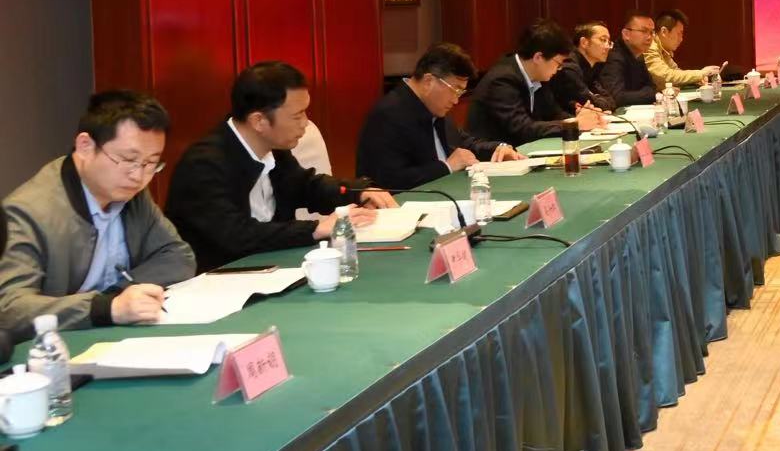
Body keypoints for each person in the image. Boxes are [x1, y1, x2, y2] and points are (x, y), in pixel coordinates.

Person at [165, 62, 398, 271]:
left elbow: (305, 186)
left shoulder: (273, 147)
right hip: (218, 280)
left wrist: (358, 192)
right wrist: (315, 228)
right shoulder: (204, 164)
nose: (306, 123)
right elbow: (236, 235)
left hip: (270, 268)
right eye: (297, 116)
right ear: (259, 121)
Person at [0, 91, 196, 336]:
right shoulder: (28, 212)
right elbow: (9, 309)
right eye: (128, 159)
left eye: (150, 163)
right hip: (53, 347)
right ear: (85, 146)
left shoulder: (130, 192)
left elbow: (177, 256)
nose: (138, 176)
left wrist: (118, 295)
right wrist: (105, 308)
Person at [355, 44, 525, 191]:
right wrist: (446, 167)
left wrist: (497, 149)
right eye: (455, 90)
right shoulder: (388, 115)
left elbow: (463, 143)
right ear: (429, 81)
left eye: (461, 92)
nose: (456, 100)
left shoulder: (433, 106)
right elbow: (389, 181)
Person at [468, 19, 607, 144]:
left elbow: (553, 113)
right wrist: (574, 124)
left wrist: (582, 117)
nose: (559, 69)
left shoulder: (539, 75)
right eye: (558, 63)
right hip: (493, 158)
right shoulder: (502, 80)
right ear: (538, 58)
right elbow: (522, 128)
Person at [549, 21, 618, 113]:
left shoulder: (592, 67)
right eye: (603, 40)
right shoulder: (569, 67)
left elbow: (611, 103)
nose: (608, 47)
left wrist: (596, 98)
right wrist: (596, 98)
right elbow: (592, 103)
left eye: (609, 42)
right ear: (584, 42)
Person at [645, 8, 721, 91]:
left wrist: (696, 79)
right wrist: (701, 73)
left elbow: (676, 73)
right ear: (664, 32)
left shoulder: (663, 48)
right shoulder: (649, 47)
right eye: (679, 33)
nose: (681, 39)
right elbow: (666, 76)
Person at [604, 10, 659, 107]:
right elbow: (617, 97)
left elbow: (652, 87)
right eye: (644, 31)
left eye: (652, 32)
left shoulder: (639, 54)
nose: (649, 37)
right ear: (626, 34)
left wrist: (650, 93)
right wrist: (652, 95)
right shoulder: (614, 57)